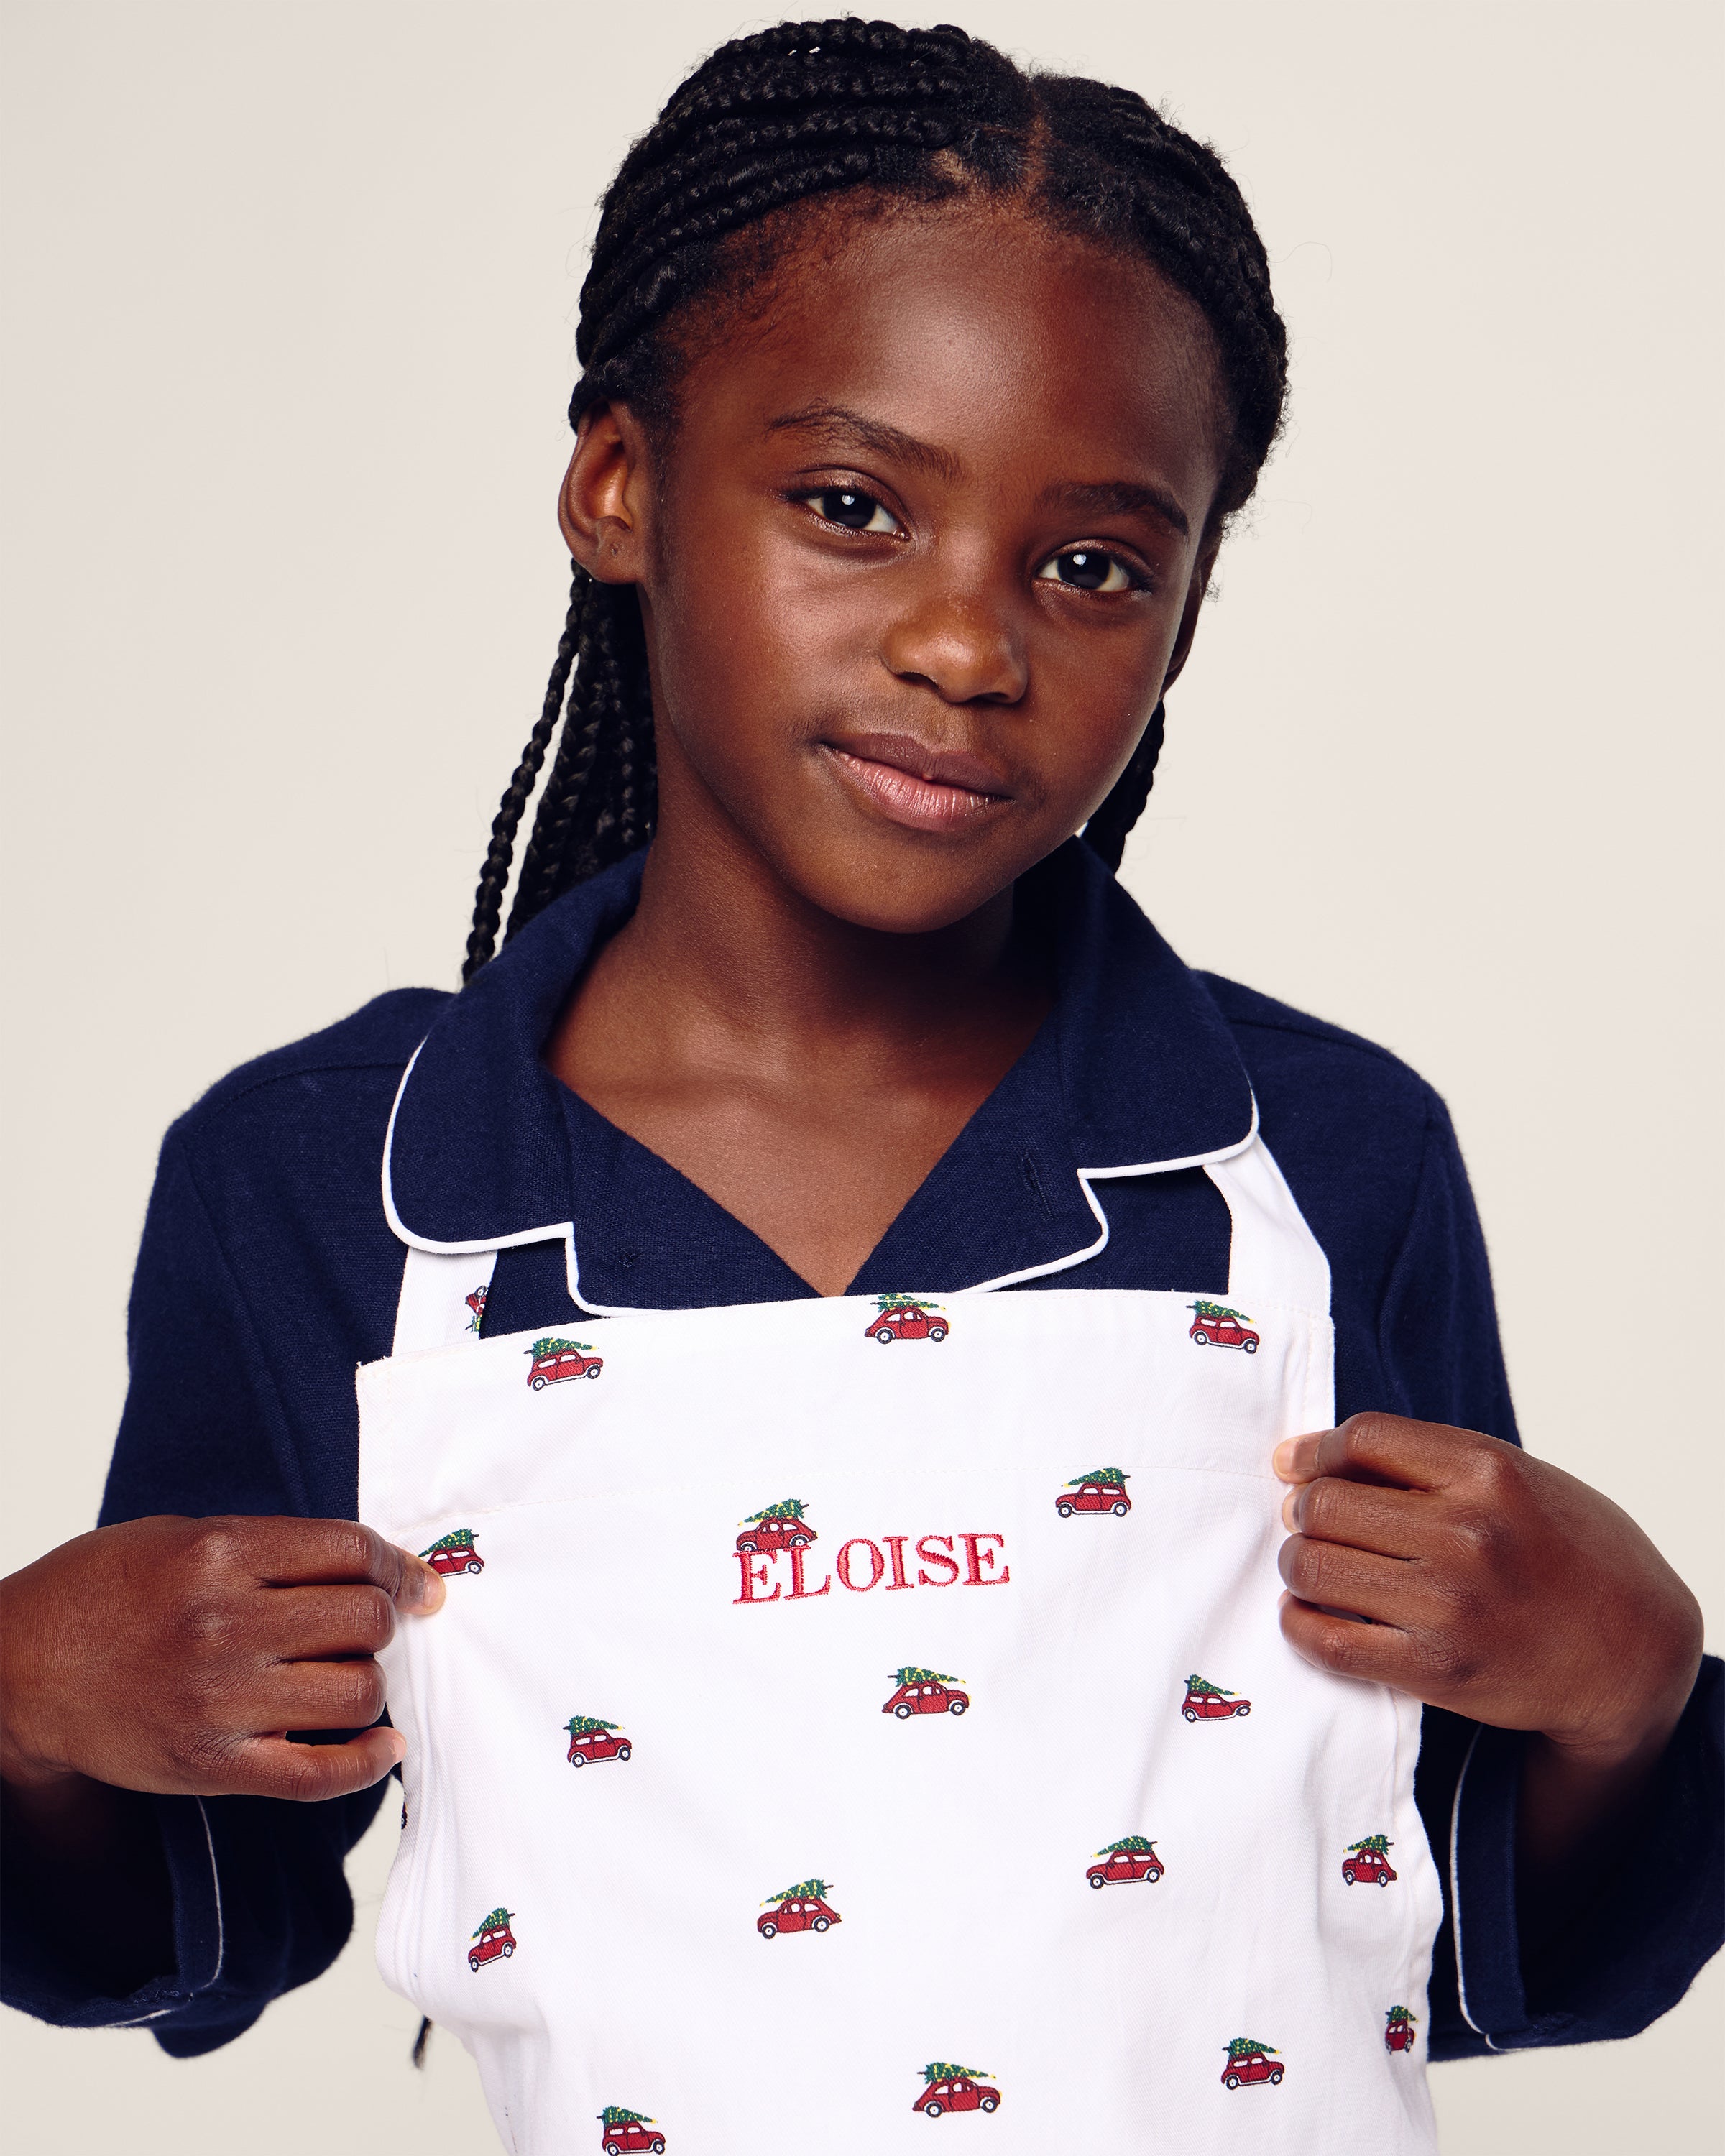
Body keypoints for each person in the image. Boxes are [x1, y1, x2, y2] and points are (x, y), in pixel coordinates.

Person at [1, 19, 1717, 2152]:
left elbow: (1454, 1929)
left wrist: (1627, 1701)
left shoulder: (1324, 1164)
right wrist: (33, 1718)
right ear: (619, 483)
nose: (967, 646)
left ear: (1185, 609)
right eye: (851, 506)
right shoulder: (332, 1187)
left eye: (1090, 564)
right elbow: (205, 1920)